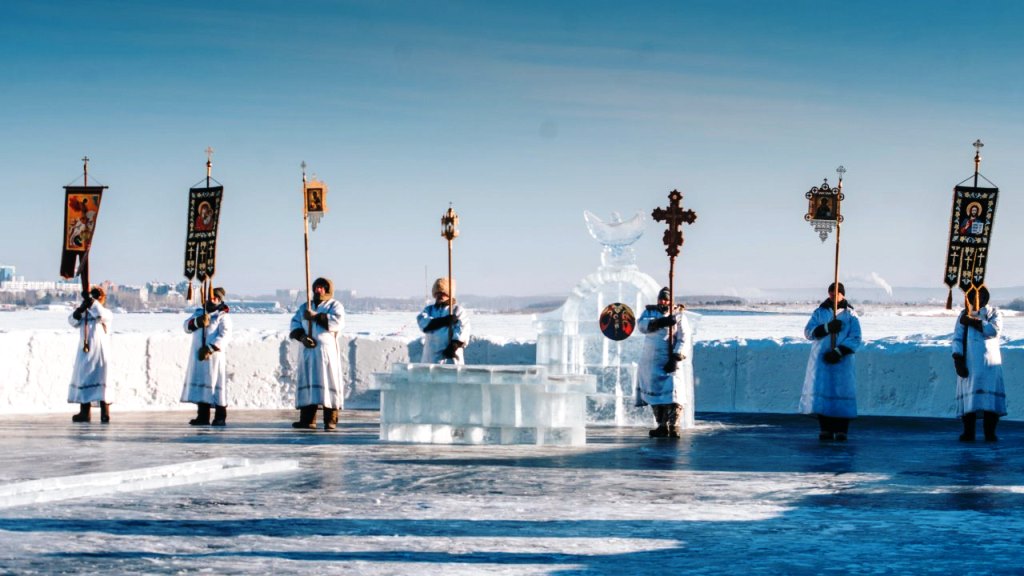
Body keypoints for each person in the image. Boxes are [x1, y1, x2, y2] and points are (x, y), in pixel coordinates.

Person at [800, 282, 862, 441]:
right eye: (831, 293)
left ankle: (842, 430)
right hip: (822, 361)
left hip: (842, 363)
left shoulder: (850, 315)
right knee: (824, 393)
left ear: (843, 294)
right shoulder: (819, 313)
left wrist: (839, 351)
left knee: (841, 393)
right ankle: (825, 429)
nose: (833, 296)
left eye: (837, 293)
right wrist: (827, 328)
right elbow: (808, 333)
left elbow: (855, 338)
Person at [635, 287, 694, 438]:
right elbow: (641, 326)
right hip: (651, 361)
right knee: (655, 394)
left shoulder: (678, 315)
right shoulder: (649, 312)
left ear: (671, 300)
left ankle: (674, 426)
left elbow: (684, 337)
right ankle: (662, 425)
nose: (663, 302)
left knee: (674, 393)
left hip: (669, 360)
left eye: (666, 299)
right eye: (661, 299)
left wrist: (676, 357)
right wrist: (661, 322)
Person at [289, 277, 345, 430]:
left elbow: (337, 322)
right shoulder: (305, 307)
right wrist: (302, 337)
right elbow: (294, 323)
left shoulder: (334, 305)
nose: (318, 290)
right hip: (308, 352)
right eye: (317, 287)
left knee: (329, 382)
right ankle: (308, 419)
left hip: (326, 353)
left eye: (322, 287)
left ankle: (330, 419)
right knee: (309, 383)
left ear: (327, 289)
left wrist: (315, 316)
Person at [952, 287, 1006, 442]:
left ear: (985, 297)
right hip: (970, 364)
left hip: (990, 363)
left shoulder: (993, 313)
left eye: (980, 295)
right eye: (973, 295)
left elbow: (993, 330)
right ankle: (969, 432)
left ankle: (990, 433)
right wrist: (957, 359)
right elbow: (957, 338)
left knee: (990, 401)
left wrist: (973, 322)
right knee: (970, 401)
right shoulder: (964, 314)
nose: (977, 298)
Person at [181, 286, 232, 426]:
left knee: (216, 385)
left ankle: (220, 416)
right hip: (199, 358)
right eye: (211, 296)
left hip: (213, 358)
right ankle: (202, 416)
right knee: (202, 387)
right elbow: (186, 326)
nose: (213, 299)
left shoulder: (223, 316)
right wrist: (197, 322)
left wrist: (210, 348)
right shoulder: (199, 312)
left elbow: (225, 335)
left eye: (216, 297)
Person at [68, 286, 113, 423]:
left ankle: (105, 412)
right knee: (84, 379)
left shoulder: (107, 313)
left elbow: (100, 314)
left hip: (100, 352)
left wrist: (91, 301)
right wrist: (81, 308)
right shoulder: (85, 314)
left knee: (102, 379)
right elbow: (72, 320)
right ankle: (84, 412)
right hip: (85, 352)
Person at [417, 277, 469, 364]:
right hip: (431, 359)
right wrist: (443, 321)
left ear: (449, 294)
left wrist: (454, 345)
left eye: (443, 293)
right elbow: (423, 323)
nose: (440, 295)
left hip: (450, 358)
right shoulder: (429, 310)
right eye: (437, 293)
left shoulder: (457, 310)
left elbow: (463, 329)